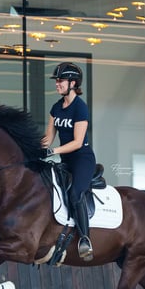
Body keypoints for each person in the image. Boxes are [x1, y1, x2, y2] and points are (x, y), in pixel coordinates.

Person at [41, 62, 96, 261]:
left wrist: (53, 150)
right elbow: (48, 138)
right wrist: (34, 147)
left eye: (61, 80)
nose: (57, 84)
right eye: (56, 81)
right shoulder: (56, 107)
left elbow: (78, 142)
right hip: (64, 159)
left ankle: (85, 240)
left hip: (82, 159)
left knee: (75, 194)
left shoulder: (80, 108)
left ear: (73, 83)